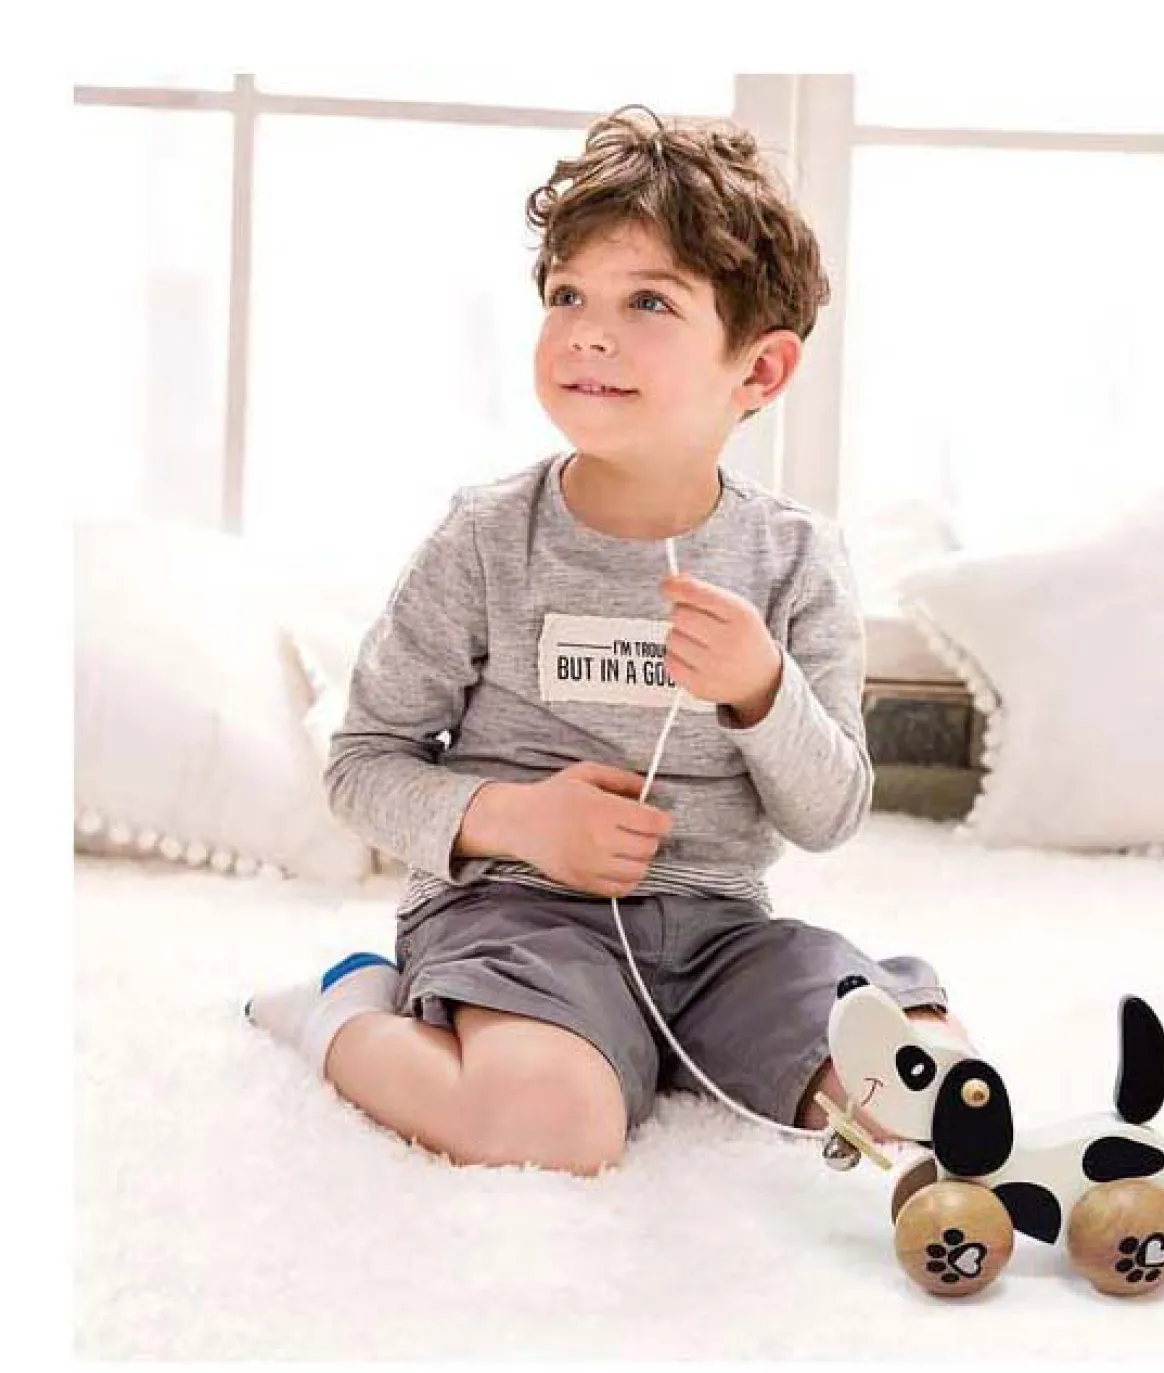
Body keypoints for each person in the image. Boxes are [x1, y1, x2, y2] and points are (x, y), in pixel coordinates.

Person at [246, 104, 969, 1176]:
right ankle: (340, 1007)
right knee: (551, 1126)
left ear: (760, 372)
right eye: (567, 295)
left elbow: (828, 814)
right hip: (514, 920)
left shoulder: (794, 558)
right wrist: (517, 821)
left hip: (723, 936)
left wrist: (763, 692)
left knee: (926, 1078)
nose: (588, 331)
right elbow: (362, 766)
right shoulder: (486, 539)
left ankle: (667, 1044)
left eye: (648, 302)